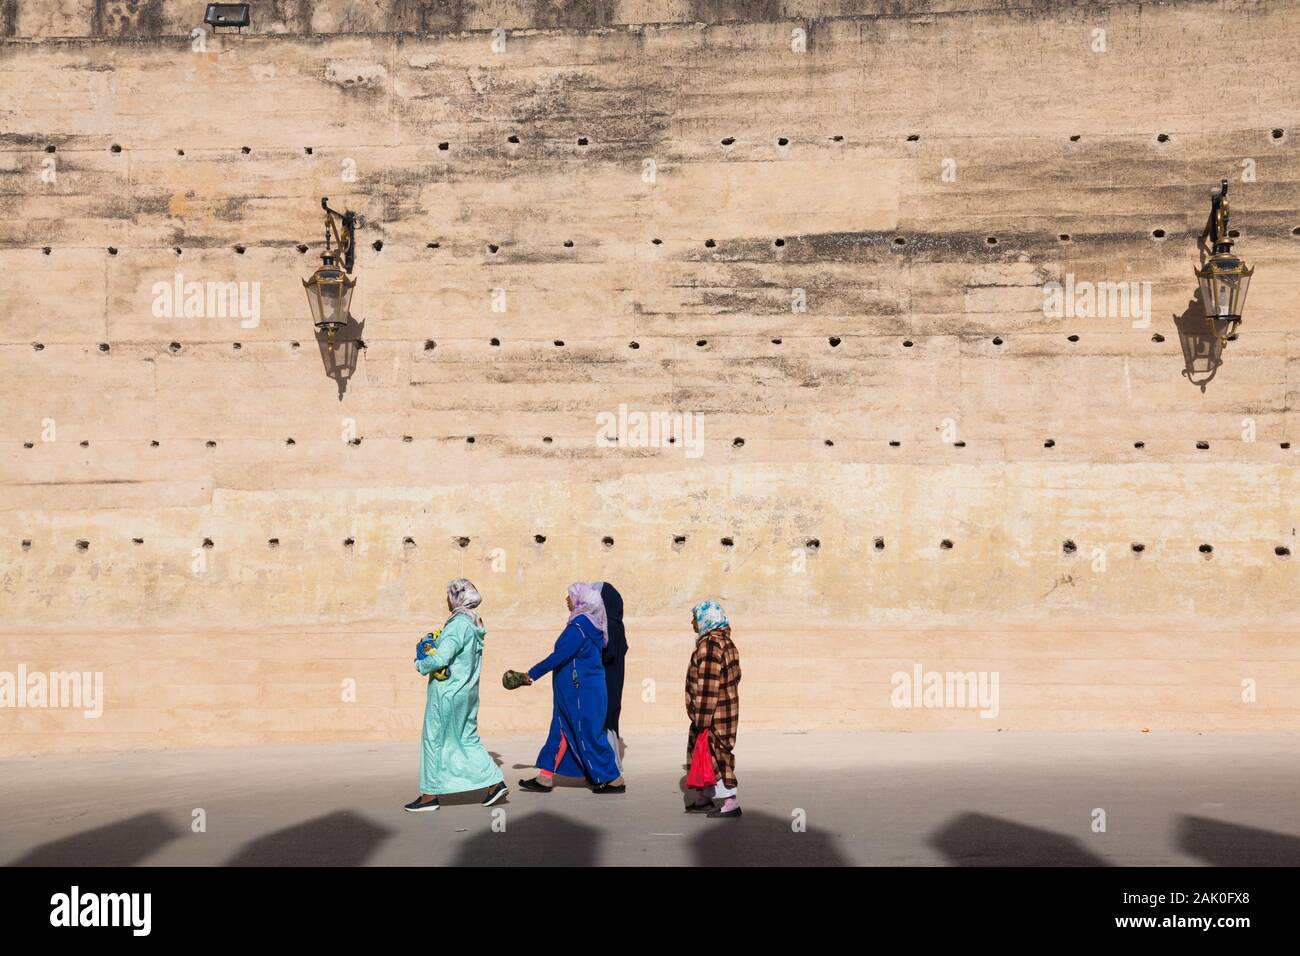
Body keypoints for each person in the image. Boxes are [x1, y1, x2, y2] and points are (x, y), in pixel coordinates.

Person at [506, 582, 626, 794]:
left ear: (581, 601)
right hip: (574, 692)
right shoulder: (592, 624)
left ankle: (613, 778)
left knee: (589, 733)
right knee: (560, 732)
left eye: (570, 596)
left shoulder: (579, 627)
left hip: (580, 692)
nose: (567, 599)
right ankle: (545, 777)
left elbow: (559, 656)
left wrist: (529, 675)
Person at [404, 578, 508, 812]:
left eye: (448, 595)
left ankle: (429, 796)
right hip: (467, 693)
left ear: (457, 597)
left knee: (433, 740)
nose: (446, 600)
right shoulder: (475, 623)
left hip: (447, 693)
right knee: (467, 738)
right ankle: (494, 782)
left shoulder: (457, 624)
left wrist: (420, 663)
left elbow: (441, 659)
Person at [684, 599, 742, 818]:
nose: (692, 622)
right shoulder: (726, 642)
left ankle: (731, 802)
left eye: (695, 617)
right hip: (725, 711)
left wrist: (701, 719)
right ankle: (704, 797)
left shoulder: (710, 645)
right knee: (706, 756)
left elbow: (708, 687)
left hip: (713, 715)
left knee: (718, 755)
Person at [599, 582, 627, 770]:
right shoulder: (617, 623)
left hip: (606, 680)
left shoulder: (607, 623)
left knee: (604, 720)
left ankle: (609, 769)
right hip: (614, 679)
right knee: (611, 719)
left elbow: (608, 653)